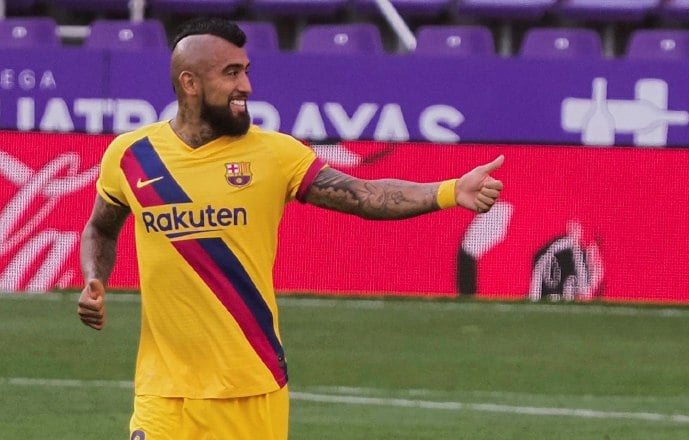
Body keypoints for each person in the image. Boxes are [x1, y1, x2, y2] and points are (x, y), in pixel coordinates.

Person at [78, 17, 504, 440]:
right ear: (190, 83)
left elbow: (363, 194)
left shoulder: (274, 154)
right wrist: (94, 280)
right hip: (162, 395)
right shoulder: (130, 156)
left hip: (251, 388)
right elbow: (100, 227)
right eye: (231, 73)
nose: (246, 86)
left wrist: (449, 192)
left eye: (246, 71)